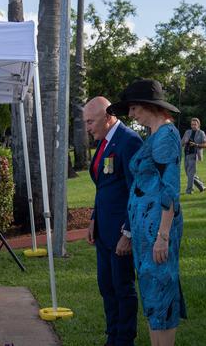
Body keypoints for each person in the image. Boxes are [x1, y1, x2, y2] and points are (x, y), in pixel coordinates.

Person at [107, 79, 186, 346]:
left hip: (157, 229)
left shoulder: (166, 135)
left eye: (133, 108)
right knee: (152, 291)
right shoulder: (154, 134)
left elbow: (169, 189)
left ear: (148, 106)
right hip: (145, 228)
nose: (130, 115)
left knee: (161, 289)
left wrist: (163, 235)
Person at [84, 96, 142, 346]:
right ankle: (113, 335)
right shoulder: (105, 142)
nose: (87, 127)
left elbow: (136, 189)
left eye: (90, 121)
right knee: (106, 287)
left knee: (122, 287)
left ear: (108, 118)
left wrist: (128, 232)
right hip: (104, 232)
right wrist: (94, 218)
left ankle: (124, 338)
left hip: (120, 233)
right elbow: (104, 186)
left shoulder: (129, 141)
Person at [182, 118, 206, 194]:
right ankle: (201, 186)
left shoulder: (201, 133)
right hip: (186, 154)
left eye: (195, 124)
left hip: (194, 155)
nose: (193, 126)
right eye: (192, 124)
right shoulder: (187, 132)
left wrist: (196, 145)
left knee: (190, 174)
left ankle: (189, 191)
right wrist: (184, 142)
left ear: (198, 125)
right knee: (189, 173)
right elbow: (182, 142)